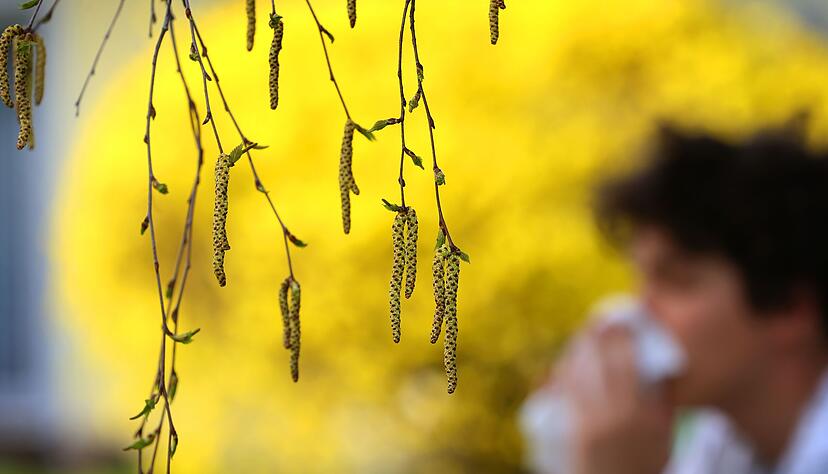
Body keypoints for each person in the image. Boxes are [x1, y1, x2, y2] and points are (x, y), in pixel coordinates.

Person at [553, 125, 828, 474]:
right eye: (643, 282)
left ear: (789, 309)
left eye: (677, 281)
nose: (640, 311)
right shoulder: (721, 447)